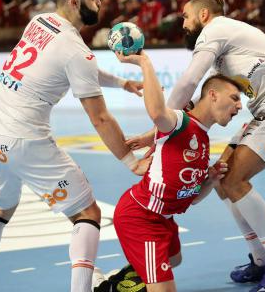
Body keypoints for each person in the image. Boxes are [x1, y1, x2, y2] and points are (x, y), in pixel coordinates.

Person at [0, 0, 147, 292]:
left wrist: (121, 82)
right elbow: (100, 118)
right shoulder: (76, 50)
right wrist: (132, 161)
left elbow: (76, 66)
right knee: (88, 212)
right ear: (75, 1)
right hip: (25, 141)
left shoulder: (39, 21)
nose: (100, 2)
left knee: (1, 208)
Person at [127, 0, 265, 292]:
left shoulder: (215, 29)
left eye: (186, 16)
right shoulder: (224, 51)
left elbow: (188, 81)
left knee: (235, 179)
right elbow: (198, 104)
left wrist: (163, 128)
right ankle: (260, 259)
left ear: (203, 15)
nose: (183, 24)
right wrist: (155, 133)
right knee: (222, 177)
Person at [97, 52, 242, 292]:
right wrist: (144, 62)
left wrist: (211, 180)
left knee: (174, 259)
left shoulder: (203, 141)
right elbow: (157, 112)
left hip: (165, 218)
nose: (239, 105)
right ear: (213, 95)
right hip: (141, 217)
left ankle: (116, 284)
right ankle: (105, 286)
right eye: (235, 97)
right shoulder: (180, 121)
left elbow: (192, 199)